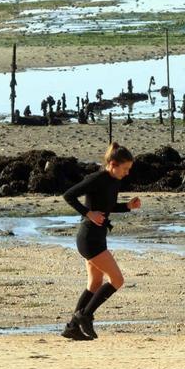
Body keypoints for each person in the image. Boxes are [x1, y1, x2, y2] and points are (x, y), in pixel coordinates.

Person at [60, 143, 142, 340]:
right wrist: (88, 213)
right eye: (125, 168)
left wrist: (127, 206)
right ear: (113, 164)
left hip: (97, 238)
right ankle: (85, 315)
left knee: (95, 284)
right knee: (117, 280)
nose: (127, 173)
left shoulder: (114, 181)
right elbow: (69, 195)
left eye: (129, 169)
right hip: (89, 239)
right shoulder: (97, 178)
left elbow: (107, 206)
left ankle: (72, 327)